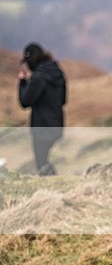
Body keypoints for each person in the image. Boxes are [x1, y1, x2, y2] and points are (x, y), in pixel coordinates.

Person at [18, 42, 67, 176]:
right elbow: (63, 100)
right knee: (43, 160)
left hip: (41, 127)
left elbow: (24, 101)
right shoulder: (58, 72)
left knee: (41, 163)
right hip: (57, 125)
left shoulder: (38, 78)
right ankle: (53, 187)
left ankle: (52, 189)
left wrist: (22, 81)